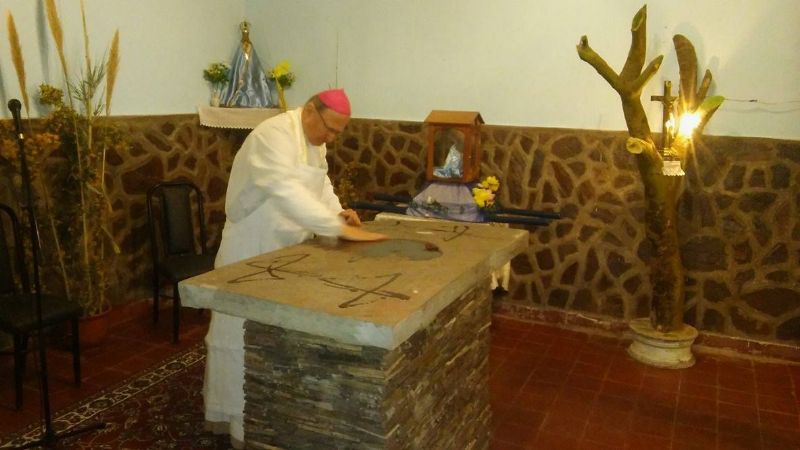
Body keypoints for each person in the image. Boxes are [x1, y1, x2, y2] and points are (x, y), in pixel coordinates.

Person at [202, 88, 384, 448]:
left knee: (274, 339)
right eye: (330, 130)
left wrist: (338, 212)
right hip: (251, 248)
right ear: (311, 112)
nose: (331, 138)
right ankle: (237, 423)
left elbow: (319, 184)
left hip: (286, 251)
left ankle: (276, 412)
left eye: (338, 133)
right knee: (240, 337)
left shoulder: (315, 141)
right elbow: (285, 189)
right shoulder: (273, 135)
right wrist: (335, 229)